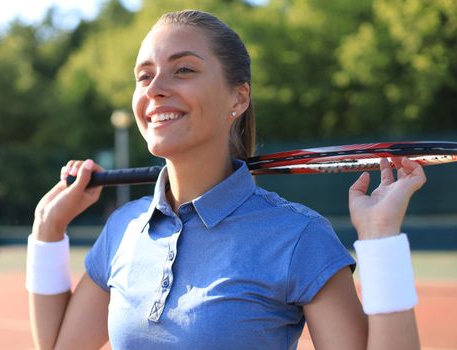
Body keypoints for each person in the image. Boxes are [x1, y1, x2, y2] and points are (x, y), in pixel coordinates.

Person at [26, 10, 426, 350]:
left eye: (183, 70)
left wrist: (380, 238)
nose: (157, 89)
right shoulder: (122, 229)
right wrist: (48, 229)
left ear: (238, 98)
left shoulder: (298, 236)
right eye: (144, 76)